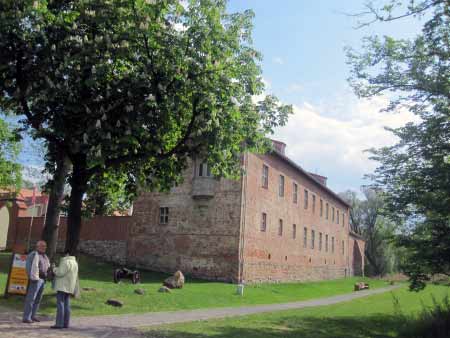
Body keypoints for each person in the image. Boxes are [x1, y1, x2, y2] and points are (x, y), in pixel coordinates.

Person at [23, 240, 50, 323]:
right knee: (31, 299)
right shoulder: (33, 254)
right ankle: (26, 317)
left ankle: (33, 316)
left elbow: (47, 266)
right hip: (36, 279)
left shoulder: (45, 256)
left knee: (38, 299)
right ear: (37, 246)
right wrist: (32, 278)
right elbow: (28, 267)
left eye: (45, 246)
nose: (44, 247)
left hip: (43, 280)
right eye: (42, 246)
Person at [51, 251, 79, 329]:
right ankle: (66, 323)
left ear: (67, 254)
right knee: (67, 305)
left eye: (64, 254)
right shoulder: (75, 263)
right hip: (69, 287)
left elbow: (60, 273)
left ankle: (59, 324)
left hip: (62, 286)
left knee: (60, 305)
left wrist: (54, 268)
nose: (62, 256)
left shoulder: (65, 261)